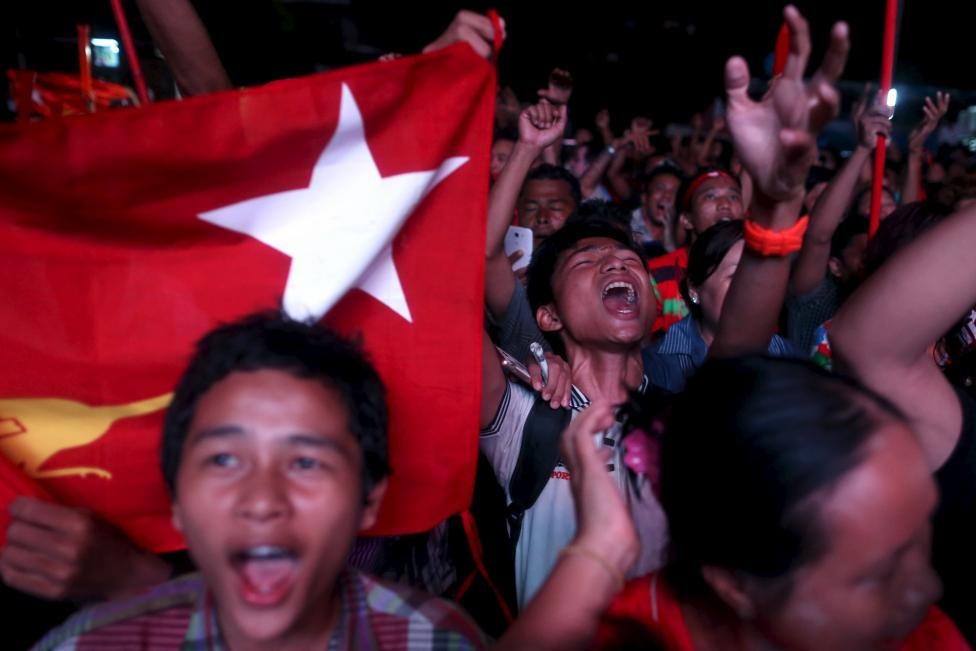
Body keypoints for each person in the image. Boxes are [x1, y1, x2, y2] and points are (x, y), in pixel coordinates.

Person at [31, 313, 488, 651]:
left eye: (306, 463)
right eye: (224, 459)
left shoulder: (438, 639)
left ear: (369, 499)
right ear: (177, 500)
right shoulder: (83, 645)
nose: (263, 500)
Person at [596, 356, 967, 650]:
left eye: (923, 531)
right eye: (881, 574)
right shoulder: (615, 636)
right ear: (736, 585)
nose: (928, 587)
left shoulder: (927, 636)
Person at [646, 221, 801, 393]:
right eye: (736, 276)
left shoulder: (788, 356)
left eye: (760, 278)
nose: (751, 289)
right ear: (694, 288)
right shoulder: (658, 366)